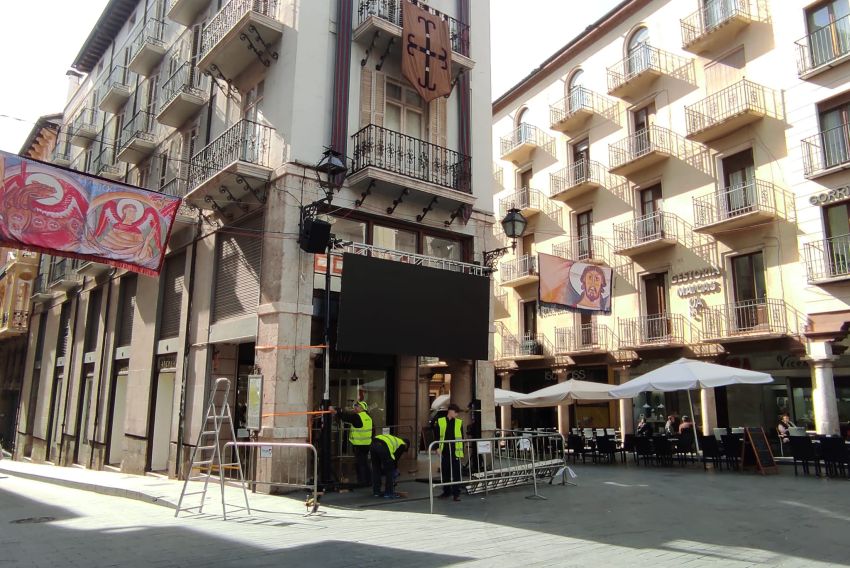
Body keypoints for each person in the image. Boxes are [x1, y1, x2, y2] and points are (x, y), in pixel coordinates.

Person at [332, 401, 373, 487]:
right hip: (366, 444)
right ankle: (369, 480)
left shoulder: (358, 417)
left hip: (359, 444)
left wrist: (337, 412)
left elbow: (346, 418)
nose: (355, 408)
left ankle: (362, 482)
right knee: (365, 463)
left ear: (361, 408)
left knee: (360, 463)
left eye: (357, 406)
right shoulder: (368, 417)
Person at [434, 403, 464, 501]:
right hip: (445, 450)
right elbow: (436, 435)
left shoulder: (459, 422)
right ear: (450, 411)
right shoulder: (440, 421)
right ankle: (446, 492)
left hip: (455, 450)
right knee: (445, 471)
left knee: (456, 473)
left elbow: (461, 437)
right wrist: (437, 447)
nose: (457, 415)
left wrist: (462, 451)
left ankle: (456, 493)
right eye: (456, 413)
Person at [370, 434, 409, 498]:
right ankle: (388, 493)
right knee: (390, 470)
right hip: (383, 446)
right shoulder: (402, 444)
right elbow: (394, 460)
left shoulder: (394, 439)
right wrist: (395, 472)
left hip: (373, 444)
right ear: (406, 445)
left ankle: (376, 492)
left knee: (376, 469)